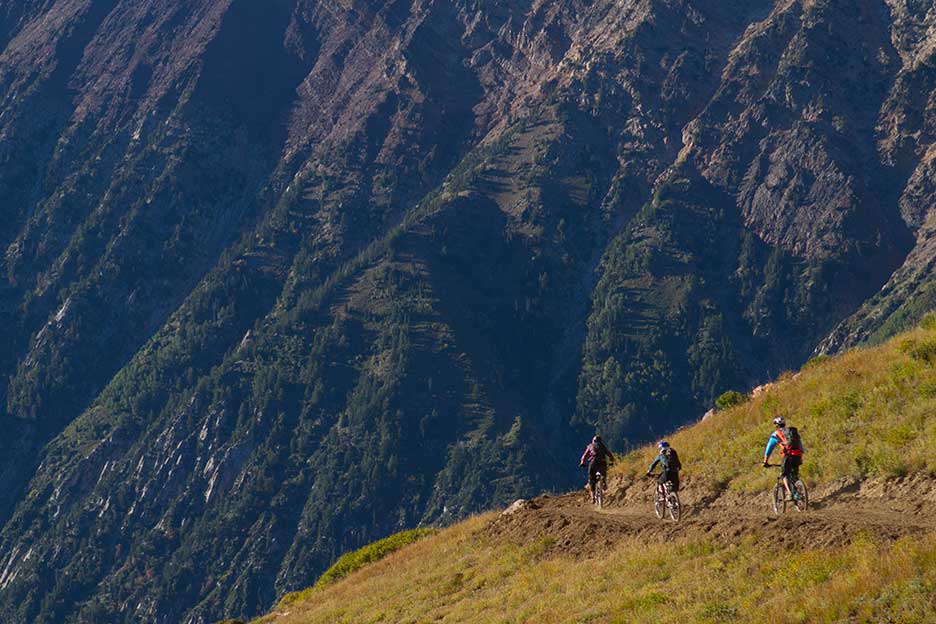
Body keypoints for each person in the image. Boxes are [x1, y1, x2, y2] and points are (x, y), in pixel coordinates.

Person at [763, 416, 804, 500]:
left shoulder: (776, 434)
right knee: (794, 475)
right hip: (797, 456)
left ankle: (789, 494)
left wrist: (765, 461)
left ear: (776, 425)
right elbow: (801, 447)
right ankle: (798, 493)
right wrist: (800, 456)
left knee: (784, 475)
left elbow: (769, 449)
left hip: (788, 456)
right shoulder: (792, 432)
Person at [580, 435, 615, 503]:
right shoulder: (603, 446)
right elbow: (610, 454)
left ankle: (593, 497)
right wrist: (612, 461)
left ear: (593, 440)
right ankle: (604, 481)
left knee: (591, 478)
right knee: (603, 473)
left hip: (594, 462)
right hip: (603, 462)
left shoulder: (590, 446)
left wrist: (582, 462)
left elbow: (584, 455)